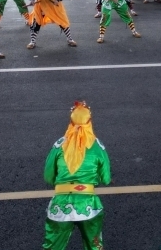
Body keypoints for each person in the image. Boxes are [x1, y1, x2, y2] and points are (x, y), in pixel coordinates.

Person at [42, 101, 110, 250]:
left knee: (52, 246)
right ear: (89, 122)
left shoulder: (59, 145)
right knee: (94, 246)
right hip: (88, 205)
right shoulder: (97, 146)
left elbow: (48, 176)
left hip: (60, 206)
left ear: (71, 121)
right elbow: (106, 178)